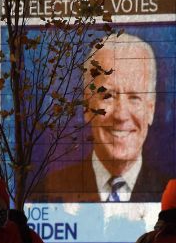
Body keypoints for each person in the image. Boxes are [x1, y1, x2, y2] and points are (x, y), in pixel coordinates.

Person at [35, 33, 168, 202]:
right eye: (108, 96)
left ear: (151, 109)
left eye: (134, 97)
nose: (121, 115)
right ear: (86, 106)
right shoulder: (47, 193)